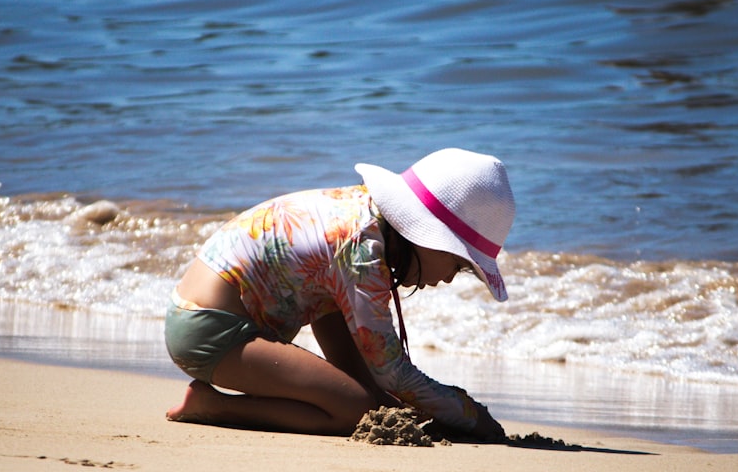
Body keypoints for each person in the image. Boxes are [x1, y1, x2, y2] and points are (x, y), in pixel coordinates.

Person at [163, 147, 515, 442]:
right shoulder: (362, 248)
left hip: (201, 318)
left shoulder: (361, 212)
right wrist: (469, 413)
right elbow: (392, 371)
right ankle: (212, 405)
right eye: (457, 264)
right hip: (210, 333)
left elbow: (328, 317)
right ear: (429, 239)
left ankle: (354, 401)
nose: (450, 279)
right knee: (356, 412)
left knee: (369, 401)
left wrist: (384, 400)